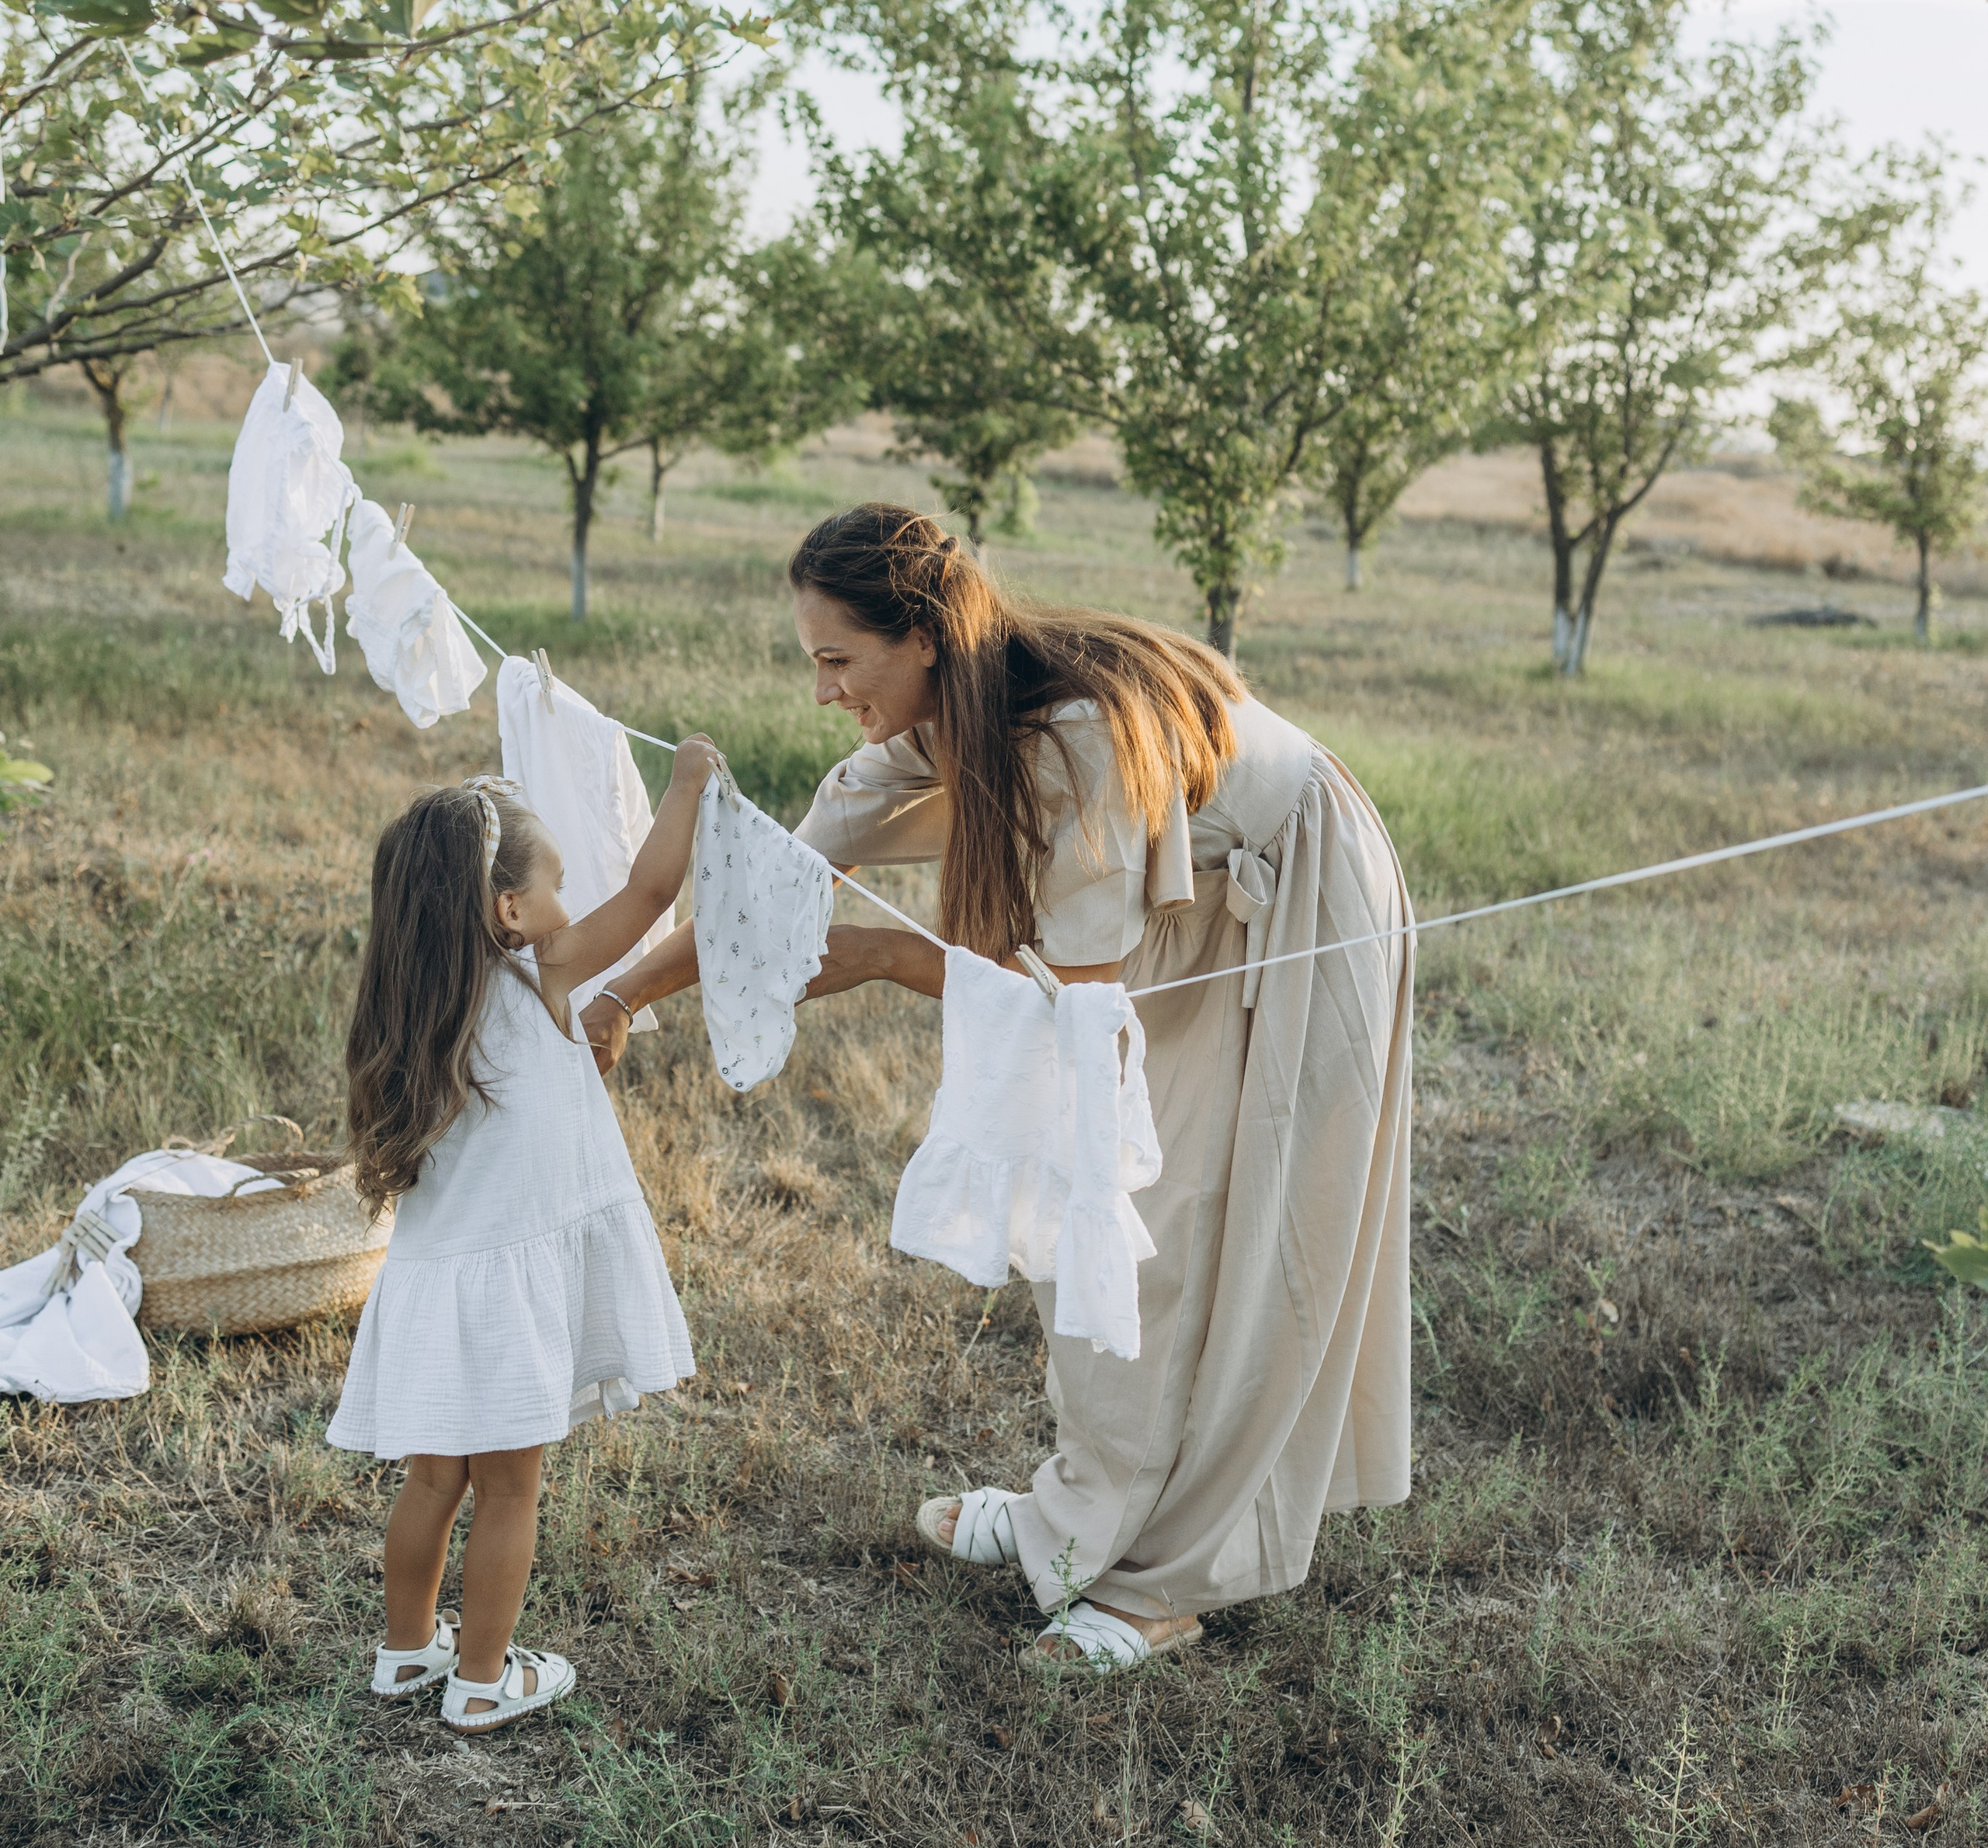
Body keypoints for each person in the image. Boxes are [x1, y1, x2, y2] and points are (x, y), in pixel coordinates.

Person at [581, 504, 1414, 1673]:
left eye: (837, 659)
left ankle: (1166, 1581)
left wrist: (881, 957)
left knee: (1180, 1232)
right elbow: (776, 883)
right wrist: (619, 995)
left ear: (919, 635)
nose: (822, 689)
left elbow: (1070, 1009)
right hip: (1175, 926)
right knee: (1114, 1235)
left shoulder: (1067, 736)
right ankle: (1076, 1511)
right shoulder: (943, 724)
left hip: (1298, 904)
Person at [332, 745, 718, 1728]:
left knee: (434, 1480)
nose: (567, 893)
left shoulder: (410, 1008)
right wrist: (684, 783)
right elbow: (653, 888)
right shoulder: (544, 977)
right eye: (552, 879)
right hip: (503, 1304)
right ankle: (482, 1682)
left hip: (432, 1288)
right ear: (506, 910)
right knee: (512, 1492)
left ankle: (407, 1654)